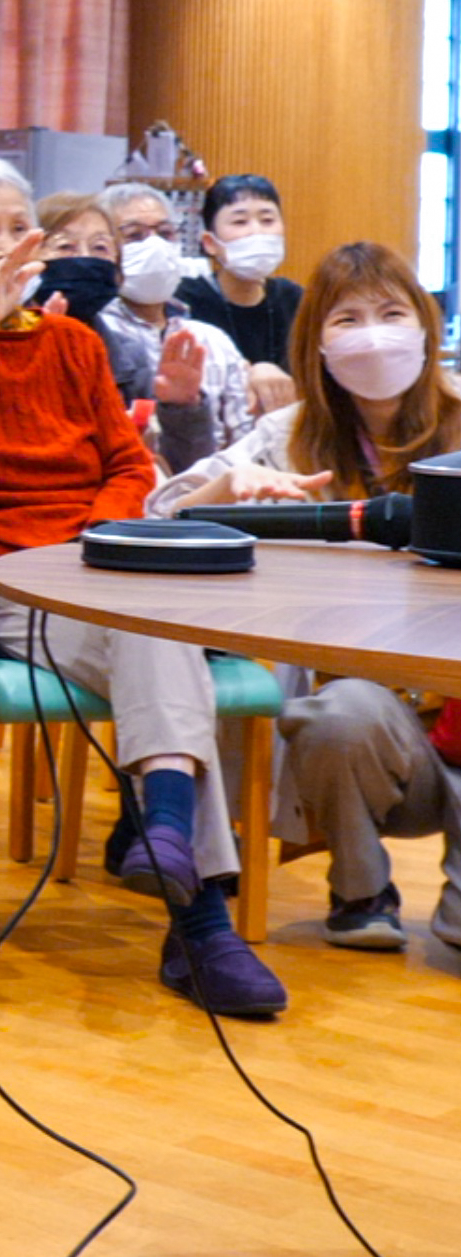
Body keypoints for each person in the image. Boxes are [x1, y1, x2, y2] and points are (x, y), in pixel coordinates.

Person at [0, 158, 286, 1017]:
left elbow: (127, 461)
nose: (7, 245)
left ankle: (165, 838)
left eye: (19, 228)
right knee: (152, 621)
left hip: (89, 562)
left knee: (147, 604)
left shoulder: (72, 342)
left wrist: (99, 532)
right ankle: (199, 919)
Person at [149, 241, 461, 953]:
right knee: (338, 712)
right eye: (347, 318)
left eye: (390, 312)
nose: (373, 333)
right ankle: (359, 890)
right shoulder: (285, 437)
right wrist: (230, 487)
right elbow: (164, 516)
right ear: (316, 341)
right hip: (381, 730)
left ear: (424, 325)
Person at [92, 181, 255, 473]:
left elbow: (245, 441)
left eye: (165, 233)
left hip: (215, 496)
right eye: (135, 236)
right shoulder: (96, 332)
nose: (155, 245)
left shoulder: (210, 338)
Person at [177, 172, 301, 404]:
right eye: (240, 222)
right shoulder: (185, 301)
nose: (257, 232)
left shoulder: (294, 298)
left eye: (267, 220)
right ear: (210, 243)